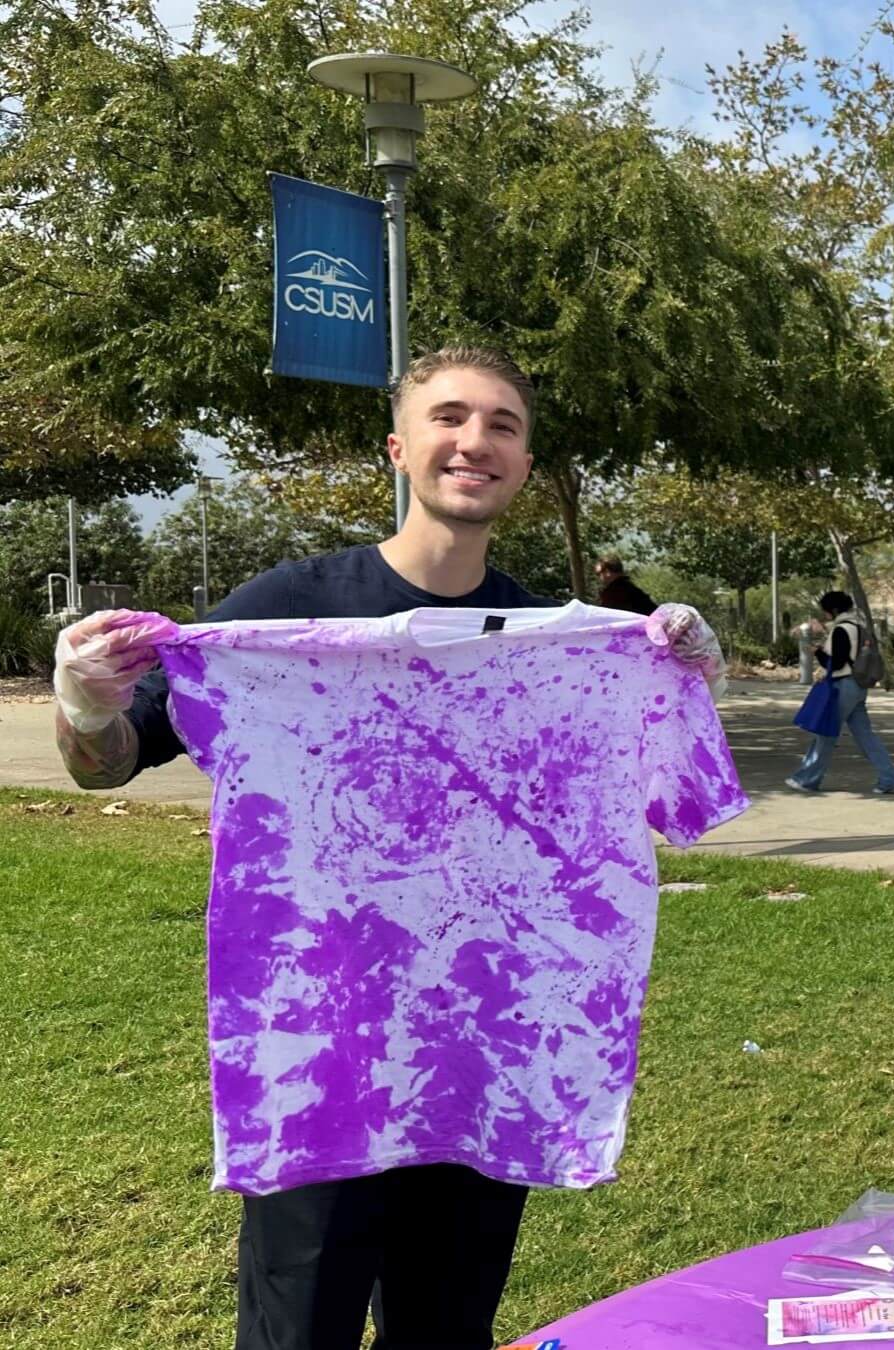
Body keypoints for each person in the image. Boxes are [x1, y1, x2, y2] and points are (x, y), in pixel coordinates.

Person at [50, 347, 725, 1350]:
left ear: (526, 464)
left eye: (503, 424)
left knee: (445, 1333)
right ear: (400, 448)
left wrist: (677, 688)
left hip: (486, 1064)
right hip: (320, 1062)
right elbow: (105, 767)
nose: (475, 441)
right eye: (451, 418)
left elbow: (682, 802)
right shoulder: (288, 613)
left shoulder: (557, 643)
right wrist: (83, 702)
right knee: (298, 1337)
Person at [786, 591, 894, 795]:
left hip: (842, 686)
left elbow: (836, 663)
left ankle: (807, 778)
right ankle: (888, 777)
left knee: (825, 734)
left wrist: (818, 652)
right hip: (858, 686)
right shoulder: (858, 627)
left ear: (834, 609)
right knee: (866, 736)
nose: (826, 614)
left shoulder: (841, 630)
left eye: (827, 610)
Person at [791, 614, 826, 684]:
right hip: (807, 649)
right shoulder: (807, 628)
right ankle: (805, 679)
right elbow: (793, 633)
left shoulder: (821, 630)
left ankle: (807, 679)